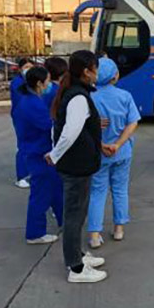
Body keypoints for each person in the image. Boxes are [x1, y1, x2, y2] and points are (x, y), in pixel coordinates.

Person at [47, 50, 107, 283]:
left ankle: (77, 255)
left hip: (77, 164)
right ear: (86, 71)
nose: (97, 73)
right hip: (76, 166)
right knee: (74, 216)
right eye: (95, 69)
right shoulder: (78, 97)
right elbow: (69, 132)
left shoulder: (74, 92)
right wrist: (55, 154)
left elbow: (65, 128)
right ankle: (77, 269)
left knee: (78, 214)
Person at [87, 58, 141, 248]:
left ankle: (94, 235)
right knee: (120, 189)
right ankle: (119, 229)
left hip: (98, 152)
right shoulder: (125, 96)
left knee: (97, 192)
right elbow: (132, 122)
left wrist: (102, 145)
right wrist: (117, 144)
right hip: (122, 152)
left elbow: (85, 126)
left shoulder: (89, 97)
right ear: (114, 76)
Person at [13, 66, 64, 244]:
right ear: (39, 83)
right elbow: (50, 126)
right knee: (41, 195)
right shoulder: (32, 104)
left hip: (42, 153)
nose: (50, 84)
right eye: (48, 81)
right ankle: (35, 233)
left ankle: (64, 221)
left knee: (56, 189)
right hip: (40, 154)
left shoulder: (30, 99)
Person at [10, 57, 34, 189]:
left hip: (31, 116)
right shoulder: (17, 82)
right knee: (23, 146)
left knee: (32, 145)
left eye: (31, 67)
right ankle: (22, 177)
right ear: (20, 69)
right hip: (21, 117)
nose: (28, 70)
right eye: (26, 67)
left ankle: (30, 173)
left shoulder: (31, 81)